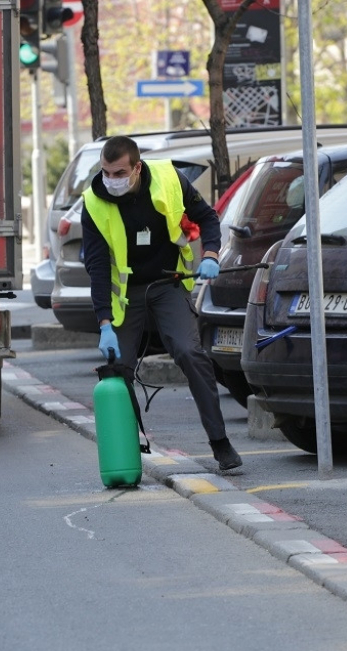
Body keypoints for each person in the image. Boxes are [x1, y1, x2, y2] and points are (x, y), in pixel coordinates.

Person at [80, 135, 242, 472]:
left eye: (119, 172)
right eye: (106, 172)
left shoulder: (170, 179)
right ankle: (128, 449)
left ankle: (220, 443)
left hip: (168, 284)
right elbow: (96, 267)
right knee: (116, 369)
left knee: (189, 352)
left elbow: (208, 218)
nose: (111, 180)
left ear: (137, 168)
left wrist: (211, 254)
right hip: (126, 296)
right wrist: (104, 324)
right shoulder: (94, 204)